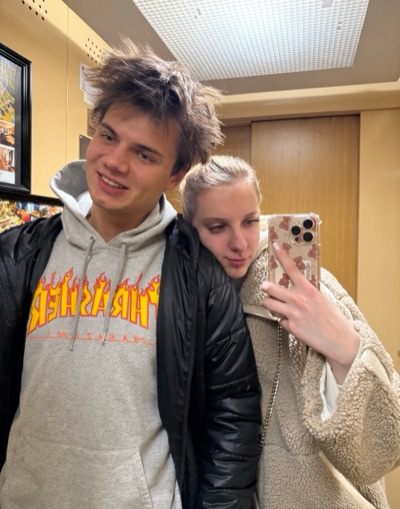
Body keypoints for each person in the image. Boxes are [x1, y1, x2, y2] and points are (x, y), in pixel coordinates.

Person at [0, 42, 261, 508]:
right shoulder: (18, 254)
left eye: (144, 154)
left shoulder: (199, 277)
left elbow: (233, 414)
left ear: (175, 174)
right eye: (108, 136)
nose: (114, 162)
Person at [180, 154, 400, 509]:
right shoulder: (181, 301)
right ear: (190, 227)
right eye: (218, 227)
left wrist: (345, 349)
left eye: (250, 221)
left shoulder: (311, 292)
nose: (240, 243)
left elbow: (385, 445)